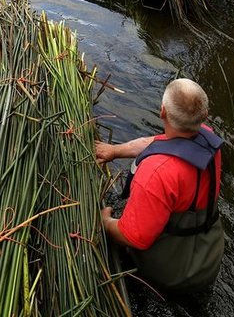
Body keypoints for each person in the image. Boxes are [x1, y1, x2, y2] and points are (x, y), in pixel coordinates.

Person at [96, 78, 224, 294]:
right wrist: (115, 151)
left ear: (162, 112)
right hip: (209, 257)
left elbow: (134, 238)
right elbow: (157, 143)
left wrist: (105, 221)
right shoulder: (207, 137)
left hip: (171, 275)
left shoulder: (156, 173)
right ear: (204, 115)